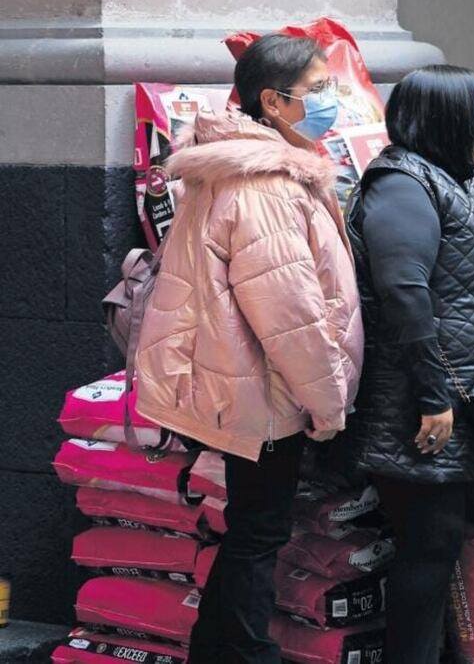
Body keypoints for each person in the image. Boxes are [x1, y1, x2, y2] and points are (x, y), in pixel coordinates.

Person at [133, 34, 363, 662]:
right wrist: (328, 403)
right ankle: (247, 653)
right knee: (260, 535)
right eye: (318, 89)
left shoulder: (252, 168)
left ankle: (214, 649)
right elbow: (289, 316)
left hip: (247, 381)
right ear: (273, 101)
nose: (330, 99)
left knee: (250, 531)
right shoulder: (264, 185)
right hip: (258, 389)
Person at [341, 65, 474, 664]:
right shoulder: (400, 186)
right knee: (428, 545)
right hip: (418, 405)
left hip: (470, 398)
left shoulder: (455, 179)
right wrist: (433, 397)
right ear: (449, 118)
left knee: (442, 543)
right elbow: (405, 296)